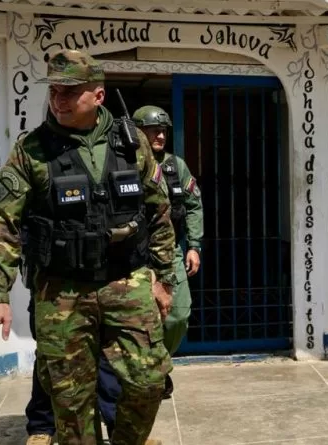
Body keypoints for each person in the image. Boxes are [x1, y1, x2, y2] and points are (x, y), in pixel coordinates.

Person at [0, 48, 176, 445]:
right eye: (54, 91)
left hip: (127, 281)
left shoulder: (131, 143)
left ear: (98, 96)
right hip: (62, 290)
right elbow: (2, 222)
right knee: (70, 400)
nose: (58, 100)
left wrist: (164, 277)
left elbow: (159, 209)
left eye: (70, 92)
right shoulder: (32, 150)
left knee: (149, 379)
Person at [90, 105, 204, 437]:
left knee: (177, 315)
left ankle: (156, 363)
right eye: (152, 130)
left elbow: (193, 204)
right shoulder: (123, 162)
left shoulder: (174, 167)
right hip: (133, 256)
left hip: (170, 250)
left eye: (164, 129)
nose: (160, 135)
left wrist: (194, 244)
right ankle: (129, 380)